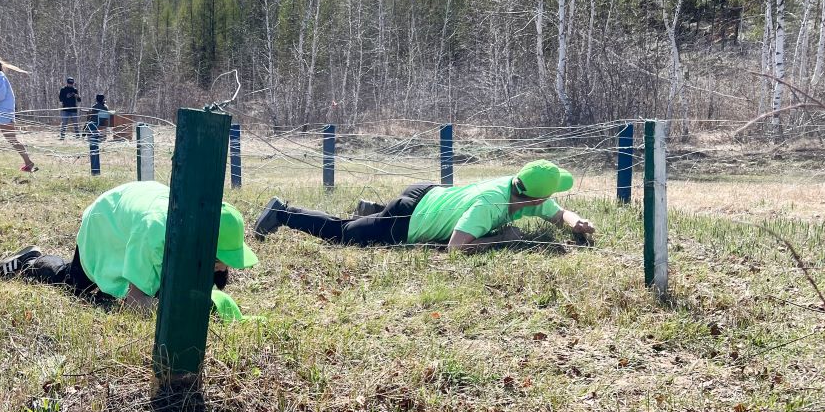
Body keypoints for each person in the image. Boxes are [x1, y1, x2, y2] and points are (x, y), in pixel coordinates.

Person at [0, 180, 257, 319]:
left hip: (138, 210)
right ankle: (32, 263)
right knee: (79, 287)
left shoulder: (197, 226)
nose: (224, 267)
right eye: (220, 259)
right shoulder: (154, 234)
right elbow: (135, 303)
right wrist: (185, 312)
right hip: (106, 221)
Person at [253, 160, 596, 252]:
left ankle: (373, 211)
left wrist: (575, 221)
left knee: (367, 222)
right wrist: (505, 237)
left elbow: (557, 213)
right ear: (534, 196)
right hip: (410, 219)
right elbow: (456, 247)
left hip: (425, 193)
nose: (549, 204)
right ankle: (282, 212)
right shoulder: (490, 206)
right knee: (343, 233)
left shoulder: (517, 187)